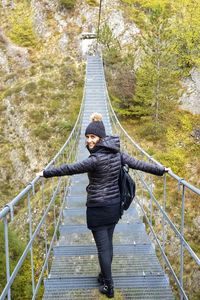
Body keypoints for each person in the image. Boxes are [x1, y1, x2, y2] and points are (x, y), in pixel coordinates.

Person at [37, 112, 169, 298]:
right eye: (87, 137)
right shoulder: (117, 154)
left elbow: (68, 168)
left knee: (102, 248)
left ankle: (108, 286)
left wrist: (45, 173)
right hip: (114, 206)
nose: (89, 141)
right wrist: (160, 170)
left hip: (98, 208)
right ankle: (104, 275)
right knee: (108, 244)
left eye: (93, 137)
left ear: (101, 138)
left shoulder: (94, 160)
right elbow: (139, 164)